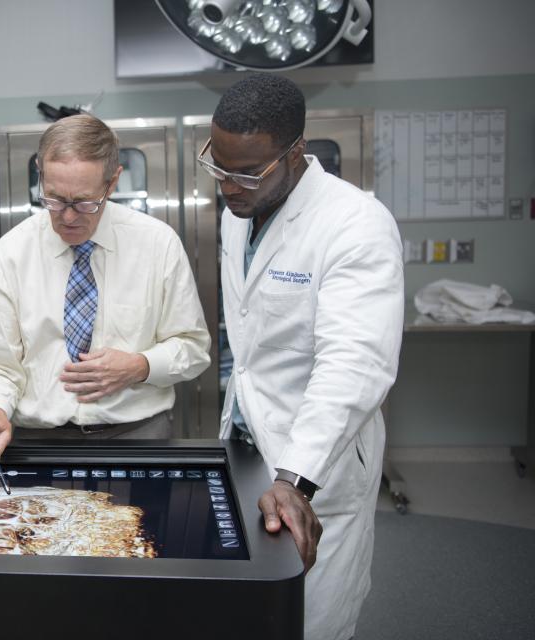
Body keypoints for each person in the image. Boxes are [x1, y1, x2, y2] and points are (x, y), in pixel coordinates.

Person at [204, 73, 404, 640]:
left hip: (314, 470)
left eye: (246, 171)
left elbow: (354, 362)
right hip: (245, 449)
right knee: (247, 616)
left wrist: (296, 478)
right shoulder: (236, 213)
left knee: (311, 623)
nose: (228, 186)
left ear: (297, 151)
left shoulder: (355, 224)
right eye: (218, 165)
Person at [0, 113, 211, 464]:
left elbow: (193, 347)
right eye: (53, 199)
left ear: (112, 184)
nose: (67, 217)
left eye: (83, 203)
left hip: (138, 437)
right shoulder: (10, 254)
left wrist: (140, 366)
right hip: (36, 442)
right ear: (41, 174)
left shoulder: (157, 245)